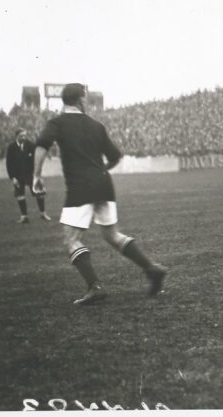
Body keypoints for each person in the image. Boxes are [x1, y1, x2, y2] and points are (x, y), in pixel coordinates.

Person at [32, 83, 168, 306]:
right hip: (104, 184)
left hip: (80, 186)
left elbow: (41, 145)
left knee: (71, 238)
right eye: (84, 99)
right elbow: (115, 156)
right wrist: (101, 170)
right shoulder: (96, 125)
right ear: (79, 100)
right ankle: (152, 269)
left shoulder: (57, 123)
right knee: (112, 235)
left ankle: (95, 286)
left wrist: (36, 175)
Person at [6, 128, 51, 223]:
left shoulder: (30, 145)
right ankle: (24, 216)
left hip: (30, 174)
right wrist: (12, 177)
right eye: (21, 136)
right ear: (16, 136)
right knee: (20, 195)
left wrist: (38, 175)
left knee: (39, 193)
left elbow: (36, 161)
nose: (23, 137)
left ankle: (43, 213)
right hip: (18, 175)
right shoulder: (11, 147)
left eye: (25, 135)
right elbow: (9, 164)